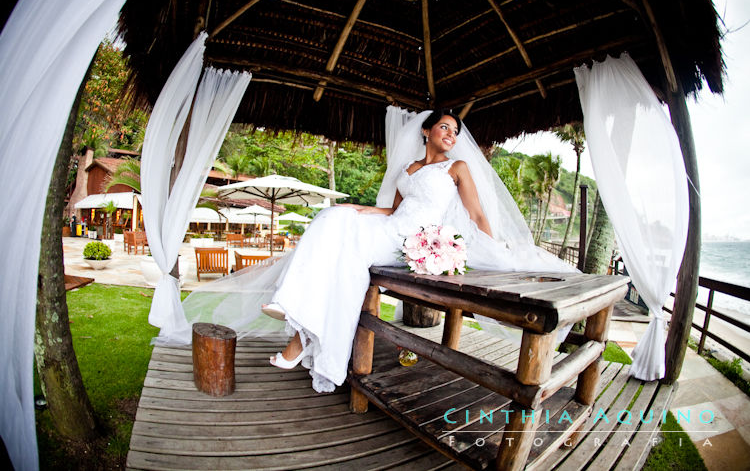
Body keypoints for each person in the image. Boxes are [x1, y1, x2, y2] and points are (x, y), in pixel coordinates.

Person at [174, 108, 576, 393]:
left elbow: (475, 214)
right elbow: (394, 210)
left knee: (343, 247)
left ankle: (300, 335)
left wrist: (493, 245)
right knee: (331, 219)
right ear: (426, 131)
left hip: (412, 243)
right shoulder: (408, 170)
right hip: (391, 227)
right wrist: (358, 208)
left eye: (455, 131)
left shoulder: (457, 170)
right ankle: (295, 321)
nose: (451, 135)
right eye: (444, 128)